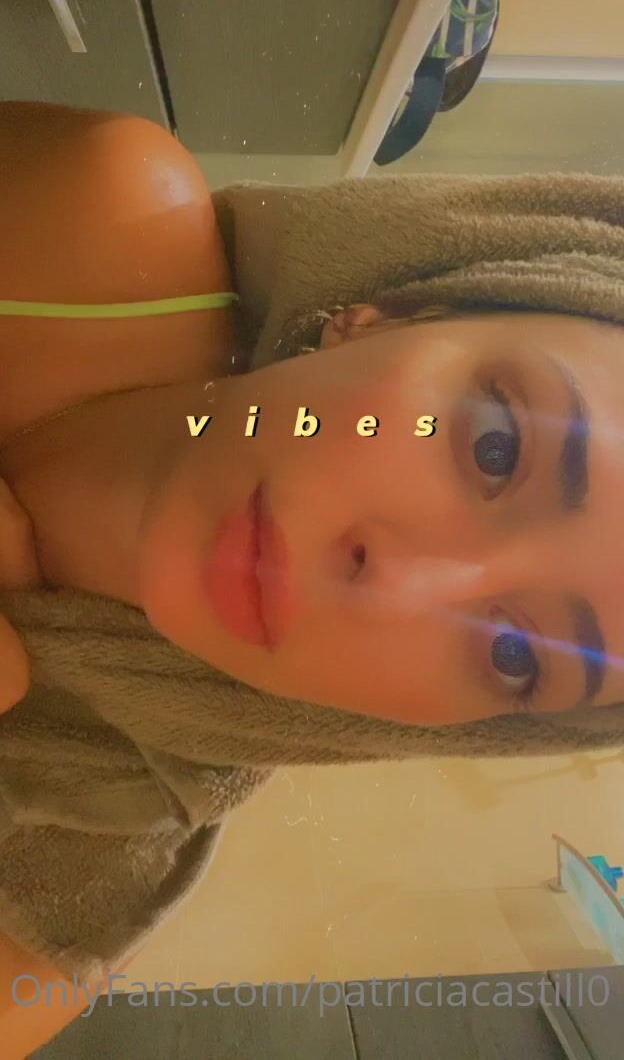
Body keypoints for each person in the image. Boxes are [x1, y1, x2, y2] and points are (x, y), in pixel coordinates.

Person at [0, 99, 622, 1054]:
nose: (400, 586)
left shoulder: (84, 871)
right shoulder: (90, 209)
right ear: (388, 316)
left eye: (513, 653)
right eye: (495, 447)